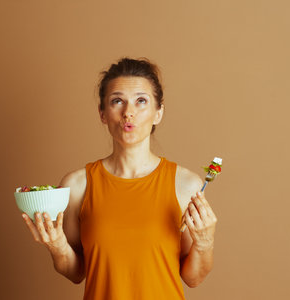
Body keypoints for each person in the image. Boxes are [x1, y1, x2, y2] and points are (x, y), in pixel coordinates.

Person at [21, 57, 218, 300]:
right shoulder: (77, 185)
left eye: (141, 101)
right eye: (117, 101)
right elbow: (75, 273)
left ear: (158, 113)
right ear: (103, 113)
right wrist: (57, 246)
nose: (129, 113)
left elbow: (193, 278)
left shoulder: (186, 185)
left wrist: (205, 241)